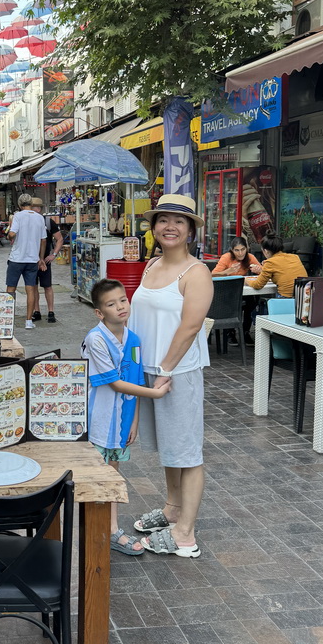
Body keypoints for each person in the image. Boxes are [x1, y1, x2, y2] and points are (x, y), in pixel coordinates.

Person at [128, 194, 214, 558]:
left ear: (191, 230)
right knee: (169, 447)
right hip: (148, 369)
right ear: (154, 227)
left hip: (176, 372)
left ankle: (185, 535)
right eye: (163, 220)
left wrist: (164, 369)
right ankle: (172, 509)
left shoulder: (197, 272)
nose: (170, 227)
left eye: (179, 221)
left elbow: (191, 326)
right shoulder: (150, 265)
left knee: (187, 450)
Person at [82, 280, 172, 555]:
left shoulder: (133, 340)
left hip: (121, 424)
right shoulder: (95, 339)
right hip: (98, 420)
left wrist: (133, 422)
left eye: (123, 300)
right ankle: (94, 529)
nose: (120, 307)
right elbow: (114, 383)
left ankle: (109, 529)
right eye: (111, 304)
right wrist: (155, 393)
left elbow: (131, 380)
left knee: (113, 475)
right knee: (95, 475)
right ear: (99, 312)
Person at [6, 193, 47, 329]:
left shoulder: (18, 216)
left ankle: (8, 318)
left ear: (19, 204)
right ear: (32, 204)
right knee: (31, 289)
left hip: (17, 258)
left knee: (11, 288)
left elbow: (12, 234)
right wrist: (40, 258)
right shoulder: (40, 218)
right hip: (32, 259)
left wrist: (9, 235)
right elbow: (43, 240)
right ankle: (29, 321)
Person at [30, 197, 63, 323]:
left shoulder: (48, 222)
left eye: (37, 207)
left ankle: (50, 311)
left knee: (47, 286)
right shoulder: (28, 222)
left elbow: (59, 239)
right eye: (33, 207)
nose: (36, 210)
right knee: (33, 286)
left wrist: (54, 254)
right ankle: (36, 311)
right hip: (31, 259)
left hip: (45, 260)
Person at [245, 232, 307, 297]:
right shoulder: (295, 257)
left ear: (265, 251)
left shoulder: (270, 263)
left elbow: (257, 285)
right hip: (304, 298)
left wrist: (246, 281)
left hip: (286, 298)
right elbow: (283, 274)